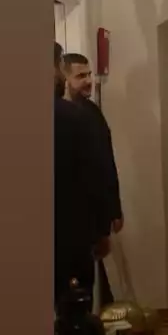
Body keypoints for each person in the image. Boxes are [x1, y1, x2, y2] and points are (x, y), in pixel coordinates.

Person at [53, 43, 112, 304]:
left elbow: (105, 162)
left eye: (89, 74)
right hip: (71, 232)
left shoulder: (91, 113)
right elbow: (91, 176)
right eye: (81, 76)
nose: (89, 80)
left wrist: (111, 213)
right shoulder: (68, 117)